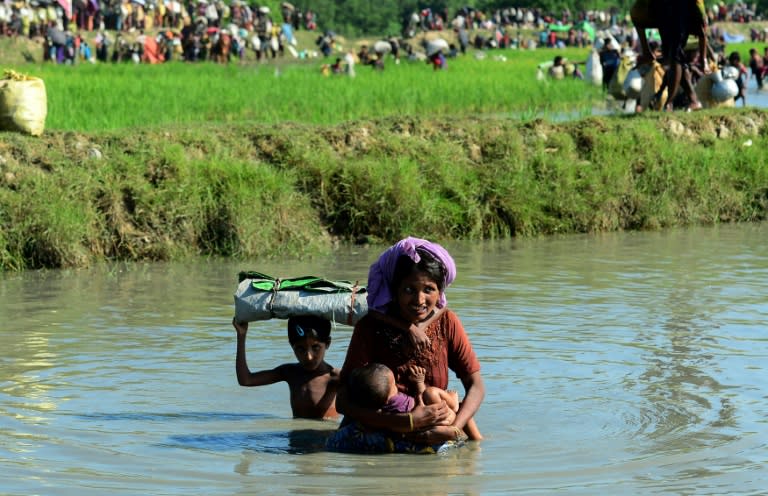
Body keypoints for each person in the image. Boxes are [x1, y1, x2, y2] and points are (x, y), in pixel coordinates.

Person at [326, 236, 485, 453]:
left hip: (436, 432)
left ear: (440, 292)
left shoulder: (447, 323)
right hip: (380, 430)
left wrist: (452, 430)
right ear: (394, 290)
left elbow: (476, 386)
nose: (419, 300)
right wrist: (406, 422)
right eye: (409, 290)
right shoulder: (370, 327)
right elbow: (343, 401)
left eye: (428, 289)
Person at [233, 315, 339, 419]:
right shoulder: (290, 372)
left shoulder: (336, 377)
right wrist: (241, 335)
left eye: (315, 347)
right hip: (296, 436)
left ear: (328, 343)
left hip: (329, 436)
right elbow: (246, 380)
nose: (309, 357)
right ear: (291, 346)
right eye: (300, 349)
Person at [348, 362, 483, 439]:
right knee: (430, 393)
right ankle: (453, 403)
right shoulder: (398, 401)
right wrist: (419, 382)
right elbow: (421, 404)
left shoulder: (377, 410)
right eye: (395, 384)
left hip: (423, 427)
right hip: (441, 417)